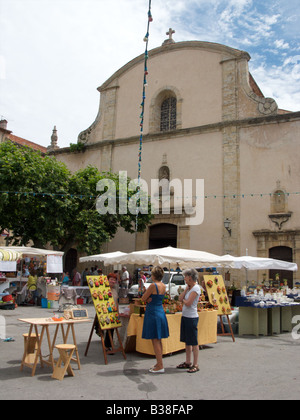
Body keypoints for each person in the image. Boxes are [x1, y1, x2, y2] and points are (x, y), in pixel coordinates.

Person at [141, 266, 169, 374]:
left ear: (154, 275)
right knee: (158, 339)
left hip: (153, 313)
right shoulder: (163, 285)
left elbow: (143, 298)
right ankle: (159, 362)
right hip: (160, 311)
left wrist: (147, 298)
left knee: (155, 340)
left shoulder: (153, 285)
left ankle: (160, 365)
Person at [177, 268, 201, 373]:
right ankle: (188, 361)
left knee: (193, 341)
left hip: (192, 317)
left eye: (185, 277)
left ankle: (195, 364)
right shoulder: (190, 288)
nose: (184, 279)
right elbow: (180, 298)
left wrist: (183, 300)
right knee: (187, 341)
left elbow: (188, 303)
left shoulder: (196, 288)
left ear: (190, 277)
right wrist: (186, 289)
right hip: (185, 316)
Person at [104, 273, 119, 351]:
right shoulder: (104, 290)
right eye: (111, 279)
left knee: (112, 329)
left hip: (113, 313)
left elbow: (116, 302)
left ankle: (108, 345)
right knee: (109, 328)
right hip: (105, 313)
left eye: (114, 280)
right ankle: (107, 345)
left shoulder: (115, 291)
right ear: (107, 280)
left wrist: (117, 312)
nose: (113, 281)